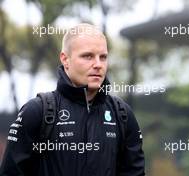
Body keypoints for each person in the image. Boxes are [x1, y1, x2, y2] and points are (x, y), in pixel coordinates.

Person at [0, 23, 145, 176]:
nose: (98, 65)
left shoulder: (122, 114)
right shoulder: (37, 111)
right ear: (65, 59)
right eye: (87, 56)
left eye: (103, 57)